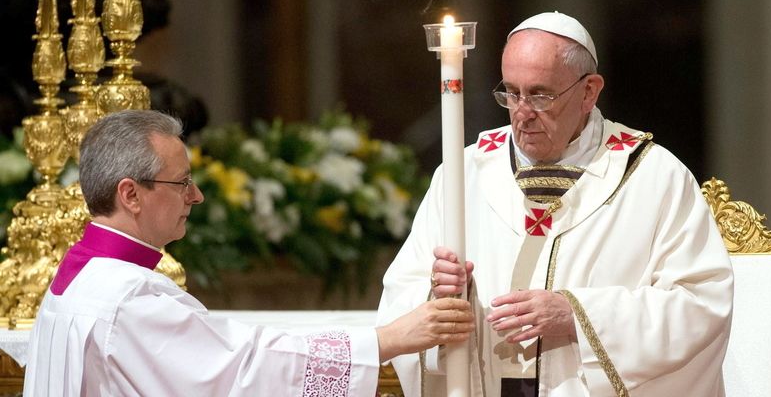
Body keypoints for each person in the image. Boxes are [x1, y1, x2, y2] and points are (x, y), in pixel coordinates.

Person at [378, 11, 734, 396]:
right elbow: (401, 296)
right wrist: (442, 295)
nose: (522, 112)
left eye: (540, 94)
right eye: (511, 93)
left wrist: (577, 315)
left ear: (589, 92)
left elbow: (701, 306)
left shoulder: (654, 177)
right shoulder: (464, 172)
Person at [24, 110, 474, 397]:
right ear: (131, 194)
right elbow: (247, 370)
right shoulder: (126, 298)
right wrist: (388, 339)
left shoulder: (83, 276)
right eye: (181, 182)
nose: (195, 196)